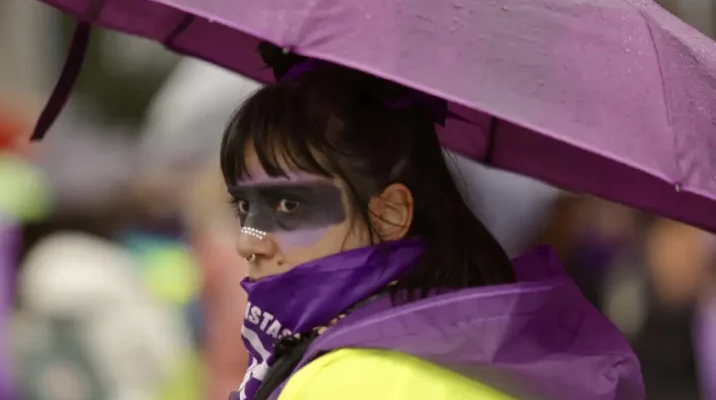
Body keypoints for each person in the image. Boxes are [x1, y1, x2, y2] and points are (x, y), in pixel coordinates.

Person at [223, 43, 644, 400]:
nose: (249, 241)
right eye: (244, 208)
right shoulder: (492, 356)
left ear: (390, 214)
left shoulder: (343, 382)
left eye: (288, 207)